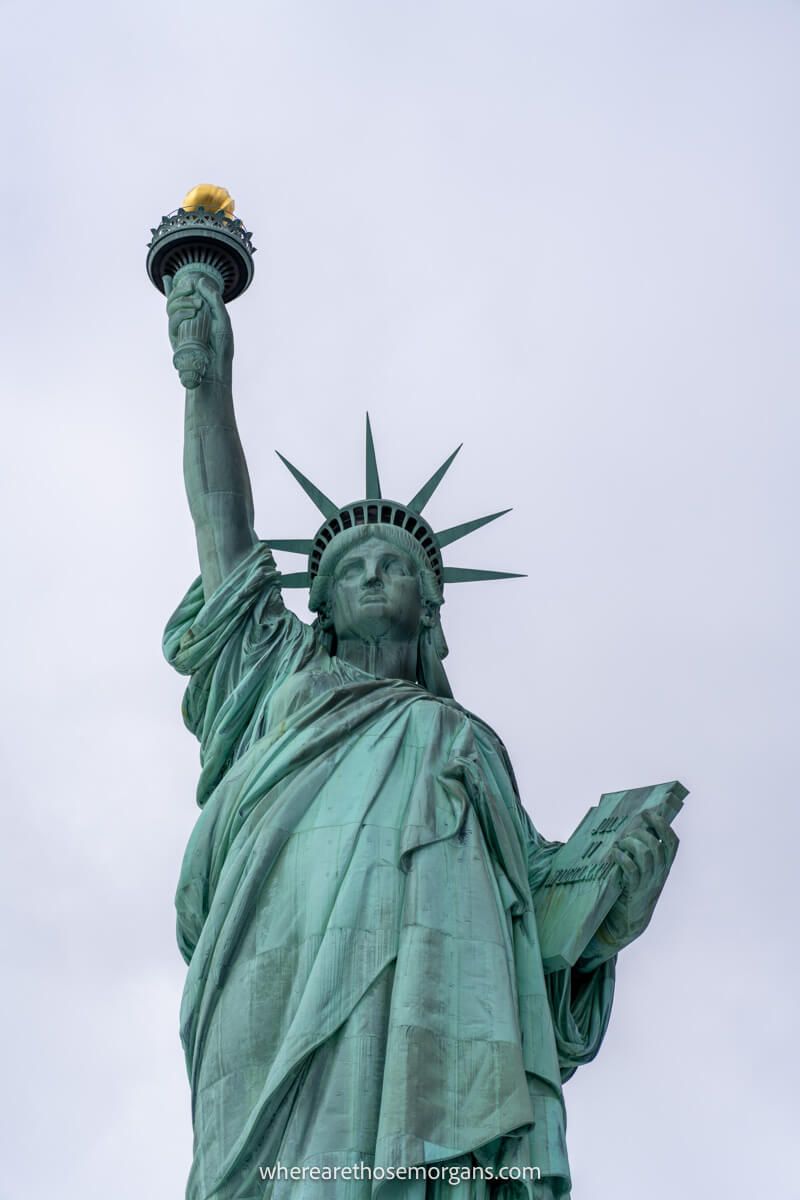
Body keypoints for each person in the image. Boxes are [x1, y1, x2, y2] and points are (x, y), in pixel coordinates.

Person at [163, 273, 678, 1200]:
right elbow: (224, 535)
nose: (368, 575)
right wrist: (207, 383)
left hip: (438, 1003)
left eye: (389, 565)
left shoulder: (465, 743)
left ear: (432, 606)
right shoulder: (279, 677)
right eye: (348, 567)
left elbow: (537, 919)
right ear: (314, 608)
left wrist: (613, 904)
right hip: (271, 969)